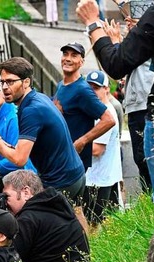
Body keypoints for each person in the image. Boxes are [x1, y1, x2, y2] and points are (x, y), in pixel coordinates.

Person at [76, 0, 154, 205]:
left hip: (147, 111)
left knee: (149, 178)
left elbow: (116, 63)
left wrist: (93, 23)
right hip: (140, 105)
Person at [0, 57, 86, 208]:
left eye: (10, 82)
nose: (5, 87)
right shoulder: (38, 98)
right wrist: (4, 144)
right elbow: (28, 147)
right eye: (2, 82)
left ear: (26, 82)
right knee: (76, 219)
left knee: (40, 225)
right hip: (76, 174)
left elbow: (20, 159)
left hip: (61, 181)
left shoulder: (31, 110)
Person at [2, 170, 90, 262]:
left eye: (7, 197)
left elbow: (7, 260)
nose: (5, 203)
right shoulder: (56, 205)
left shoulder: (28, 219)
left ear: (26, 192)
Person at [102, 16, 154, 194]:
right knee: (142, 160)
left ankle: (151, 204)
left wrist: (116, 43)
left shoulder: (149, 36)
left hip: (144, 104)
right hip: (136, 103)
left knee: (146, 159)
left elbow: (118, 64)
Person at [53, 42, 115, 173]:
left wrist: (82, 141)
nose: (68, 58)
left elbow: (109, 120)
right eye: (65, 54)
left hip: (74, 163)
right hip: (59, 157)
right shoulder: (60, 85)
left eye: (74, 55)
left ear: (81, 62)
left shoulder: (83, 90)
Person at [84, 70, 122, 226]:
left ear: (106, 89)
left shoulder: (105, 114)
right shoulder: (96, 110)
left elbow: (97, 150)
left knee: (92, 225)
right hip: (102, 177)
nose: (92, 92)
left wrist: (73, 146)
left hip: (97, 180)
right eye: (89, 88)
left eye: (96, 88)